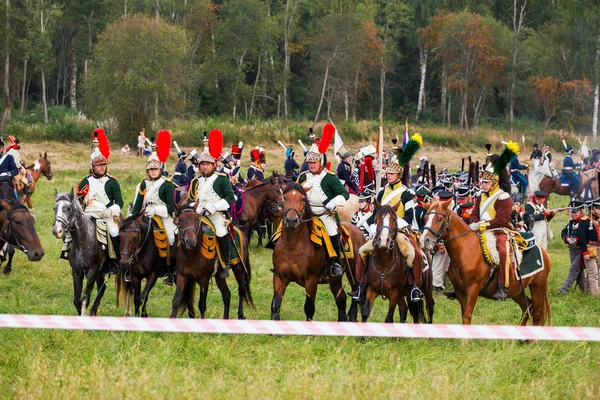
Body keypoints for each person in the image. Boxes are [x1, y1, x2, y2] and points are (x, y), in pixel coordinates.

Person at [469, 142, 518, 301]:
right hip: (479, 229)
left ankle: (503, 286)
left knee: (503, 251)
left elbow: (501, 220)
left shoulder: (504, 197)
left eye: (486, 182)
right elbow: (474, 214)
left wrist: (480, 225)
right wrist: (474, 223)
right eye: (482, 182)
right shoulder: (480, 196)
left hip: (499, 231)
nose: (482, 185)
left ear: (494, 182)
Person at [75, 128, 123, 276]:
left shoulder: (112, 182)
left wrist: (111, 210)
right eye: (99, 165)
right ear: (92, 167)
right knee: (73, 229)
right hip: (88, 213)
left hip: (106, 214)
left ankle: (115, 261)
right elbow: (78, 199)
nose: (102, 167)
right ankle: (69, 252)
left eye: (104, 164)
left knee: (114, 231)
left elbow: (120, 201)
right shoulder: (85, 181)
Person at [132, 133, 177, 285]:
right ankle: (128, 267)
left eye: (155, 169)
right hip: (145, 216)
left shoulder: (167, 184)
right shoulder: (143, 184)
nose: (152, 171)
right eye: (150, 169)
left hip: (164, 217)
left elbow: (171, 207)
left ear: (160, 169)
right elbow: (138, 205)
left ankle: (171, 270)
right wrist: (134, 217)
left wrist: (156, 210)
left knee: (171, 237)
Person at [298, 146, 349, 277]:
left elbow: (344, 194)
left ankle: (335, 262)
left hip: (324, 214)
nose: (312, 165)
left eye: (314, 163)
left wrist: (333, 202)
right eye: (309, 163)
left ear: (321, 162)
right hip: (305, 214)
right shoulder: (303, 177)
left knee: (332, 231)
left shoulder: (329, 178)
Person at [187, 146, 236, 279]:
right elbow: (190, 200)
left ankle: (225, 263)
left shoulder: (221, 178)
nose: (204, 167)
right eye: (202, 164)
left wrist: (213, 207)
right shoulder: (195, 181)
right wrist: (196, 208)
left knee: (221, 231)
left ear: (213, 164)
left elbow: (230, 197)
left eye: (207, 164)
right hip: (198, 215)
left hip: (216, 215)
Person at [560, 200, 598, 296]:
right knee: (579, 271)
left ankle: (563, 291)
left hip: (581, 249)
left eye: (575, 212)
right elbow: (563, 232)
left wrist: (577, 240)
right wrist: (567, 238)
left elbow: (583, 237)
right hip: (571, 249)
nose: (573, 214)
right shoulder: (571, 223)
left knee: (574, 270)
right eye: (572, 212)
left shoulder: (584, 221)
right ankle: (584, 290)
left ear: (581, 211)